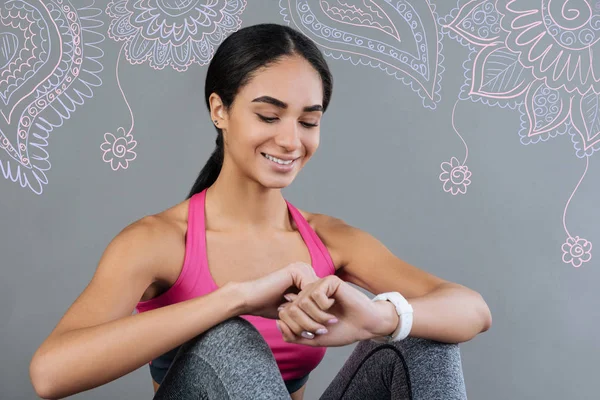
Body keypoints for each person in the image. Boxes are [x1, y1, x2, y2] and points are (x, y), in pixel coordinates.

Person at [29, 23, 492, 400]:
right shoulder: (159, 242)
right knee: (229, 340)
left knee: (424, 339)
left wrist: (381, 319)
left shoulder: (329, 239)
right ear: (220, 110)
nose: (291, 140)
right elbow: (50, 374)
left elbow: (472, 309)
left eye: (308, 121)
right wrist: (236, 299)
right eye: (269, 117)